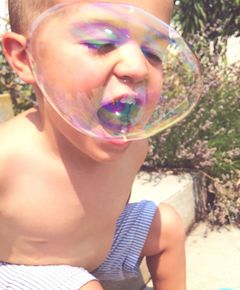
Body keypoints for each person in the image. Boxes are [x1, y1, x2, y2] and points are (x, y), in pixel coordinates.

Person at [0, 0, 186, 289]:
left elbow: (112, 207)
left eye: (153, 52)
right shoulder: (9, 157)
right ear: (26, 58)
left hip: (99, 248)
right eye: (102, 43)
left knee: (167, 226)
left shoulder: (136, 148)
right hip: (24, 267)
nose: (138, 68)